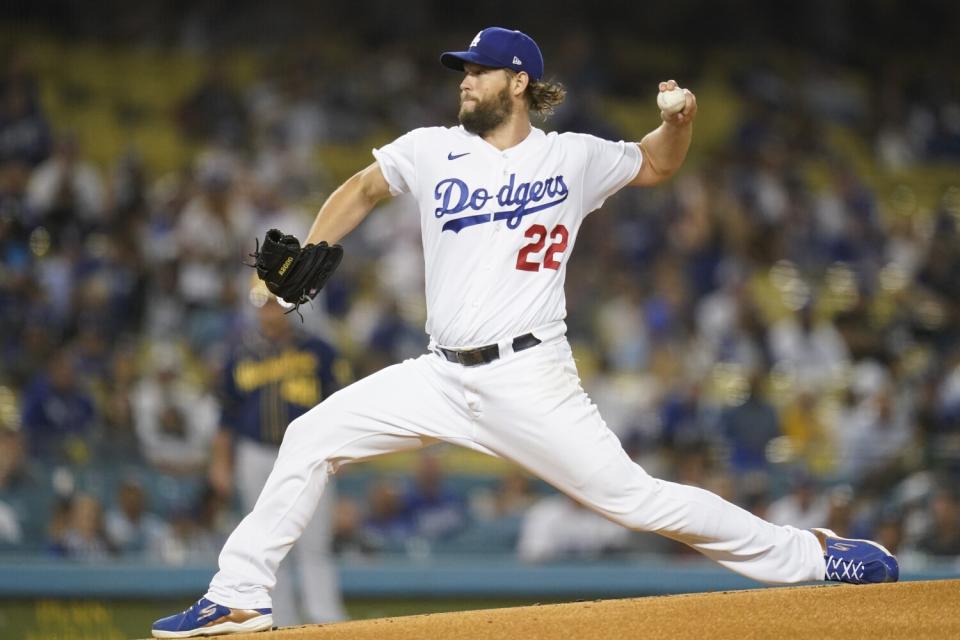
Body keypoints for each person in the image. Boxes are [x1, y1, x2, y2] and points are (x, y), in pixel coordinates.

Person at [152, 27, 899, 638]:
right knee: (310, 437)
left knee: (639, 501)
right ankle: (240, 595)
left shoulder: (570, 156)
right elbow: (363, 188)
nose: (463, 80)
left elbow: (655, 166)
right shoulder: (431, 146)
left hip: (530, 379)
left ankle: (813, 556)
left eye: (477, 70)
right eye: (462, 71)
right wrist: (313, 245)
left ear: (517, 82)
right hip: (438, 376)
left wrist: (680, 122)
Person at [205, 293, 348, 626]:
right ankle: (280, 621)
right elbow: (226, 417)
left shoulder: (319, 350)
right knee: (266, 542)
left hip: (309, 453)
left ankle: (324, 617)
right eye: (263, 304)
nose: (270, 311)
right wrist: (220, 463)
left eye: (276, 303)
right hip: (255, 453)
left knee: (315, 540)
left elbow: (338, 404)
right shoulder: (238, 354)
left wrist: (340, 453)